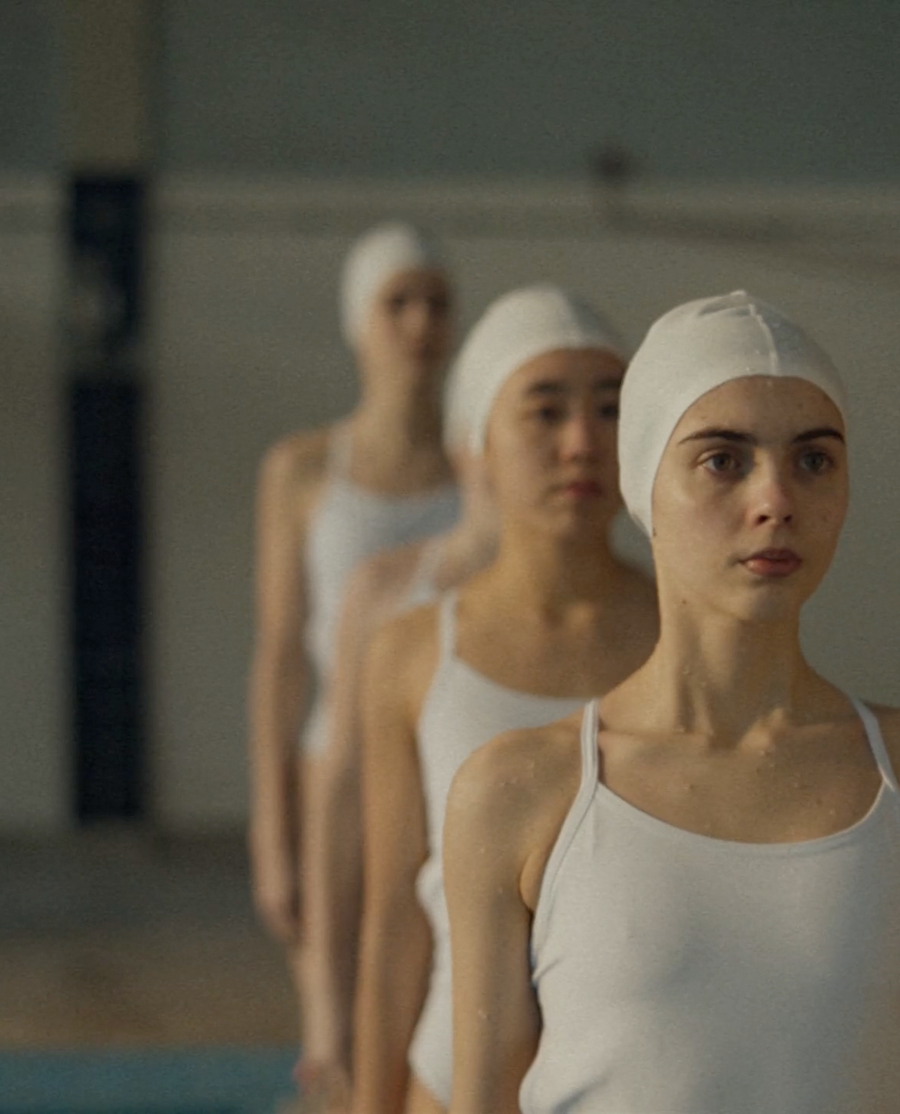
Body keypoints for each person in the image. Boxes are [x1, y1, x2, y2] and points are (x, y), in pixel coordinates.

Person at [443, 291, 900, 1114]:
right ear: (644, 487)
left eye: (814, 459)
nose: (775, 499)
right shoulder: (519, 793)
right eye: (722, 460)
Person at [353, 286, 660, 1114]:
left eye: (608, 409)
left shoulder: (688, 630)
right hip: (452, 1077)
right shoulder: (411, 651)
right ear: (475, 444)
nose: (581, 442)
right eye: (546, 410)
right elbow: (393, 920)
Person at [247, 222, 460, 1091]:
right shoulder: (302, 470)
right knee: (333, 1047)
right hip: (334, 767)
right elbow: (279, 658)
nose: (419, 322)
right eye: (396, 302)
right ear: (357, 323)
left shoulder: (479, 475)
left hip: (442, 763)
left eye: (436, 303)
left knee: (423, 1020)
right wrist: (270, 830)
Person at [298, 373, 502, 1106]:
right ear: (473, 446)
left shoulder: (638, 617)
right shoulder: (389, 595)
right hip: (404, 877)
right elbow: (281, 660)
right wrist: (327, 1007)